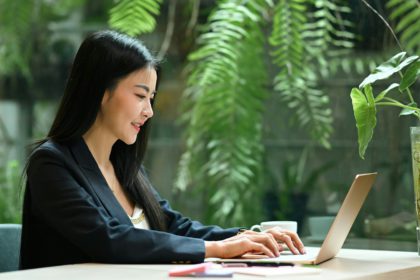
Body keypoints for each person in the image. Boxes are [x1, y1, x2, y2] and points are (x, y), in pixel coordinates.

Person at [20, 30, 305, 269]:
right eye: (140, 95)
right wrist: (217, 249)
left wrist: (248, 236)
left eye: (151, 98)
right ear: (101, 92)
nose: (149, 111)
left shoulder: (122, 164)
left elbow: (170, 225)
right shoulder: (51, 164)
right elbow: (110, 240)